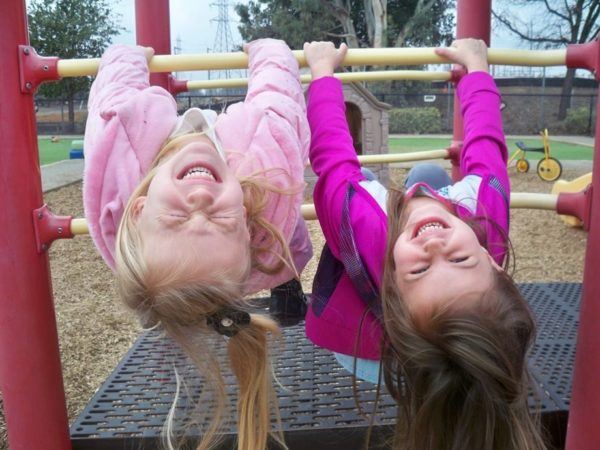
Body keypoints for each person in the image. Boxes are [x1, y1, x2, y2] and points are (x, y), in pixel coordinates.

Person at [303, 39, 546, 449]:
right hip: (414, 341)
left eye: (420, 269)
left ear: (390, 290)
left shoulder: (364, 223)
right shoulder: (485, 215)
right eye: (459, 258)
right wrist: (478, 69)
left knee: (431, 369)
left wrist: (323, 75)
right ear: (492, 259)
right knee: (449, 372)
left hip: (359, 353)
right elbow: (487, 147)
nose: (435, 246)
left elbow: (332, 157)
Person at [83, 38, 312, 450]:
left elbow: (113, 89)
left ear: (137, 211)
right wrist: (271, 52)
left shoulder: (121, 148)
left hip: (171, 159)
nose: (201, 202)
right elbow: (279, 100)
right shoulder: (263, 165)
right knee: (287, 235)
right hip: (255, 193)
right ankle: (283, 278)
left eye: (176, 218)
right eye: (221, 219)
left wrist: (131, 56)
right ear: (244, 222)